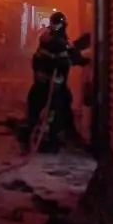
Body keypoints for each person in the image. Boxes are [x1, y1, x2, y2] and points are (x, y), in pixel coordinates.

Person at [27, 11, 89, 152]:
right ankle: (51, 139)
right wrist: (81, 60)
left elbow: (36, 60)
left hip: (40, 84)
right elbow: (66, 62)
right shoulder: (58, 42)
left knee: (36, 109)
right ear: (62, 26)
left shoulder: (46, 39)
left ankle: (35, 135)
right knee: (60, 107)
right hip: (53, 86)